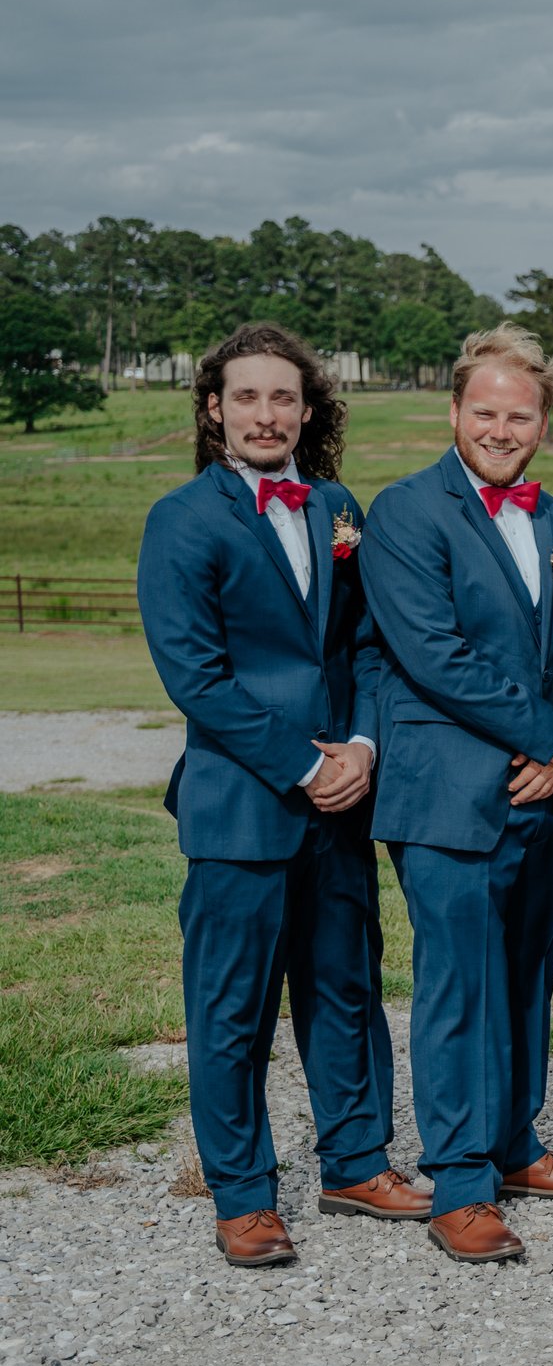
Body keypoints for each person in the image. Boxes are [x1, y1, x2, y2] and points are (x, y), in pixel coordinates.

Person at [137, 323, 418, 1266]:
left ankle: (355, 1160)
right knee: (232, 1007)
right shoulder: (183, 518)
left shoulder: (339, 506)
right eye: (248, 396)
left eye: (284, 397)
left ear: (309, 409)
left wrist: (366, 746)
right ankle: (244, 1193)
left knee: (346, 990)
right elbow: (197, 677)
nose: (268, 413)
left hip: (344, 804)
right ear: (215, 407)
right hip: (242, 804)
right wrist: (305, 762)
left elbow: (370, 646)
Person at [363, 323, 553, 1263]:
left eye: (521, 414)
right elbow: (434, 657)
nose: (502, 428)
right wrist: (552, 734)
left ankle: (513, 1142)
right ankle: (459, 1181)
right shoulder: (407, 511)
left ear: (543, 421)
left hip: (546, 791)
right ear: (454, 411)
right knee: (458, 986)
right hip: (447, 793)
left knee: (528, 974)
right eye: (486, 412)